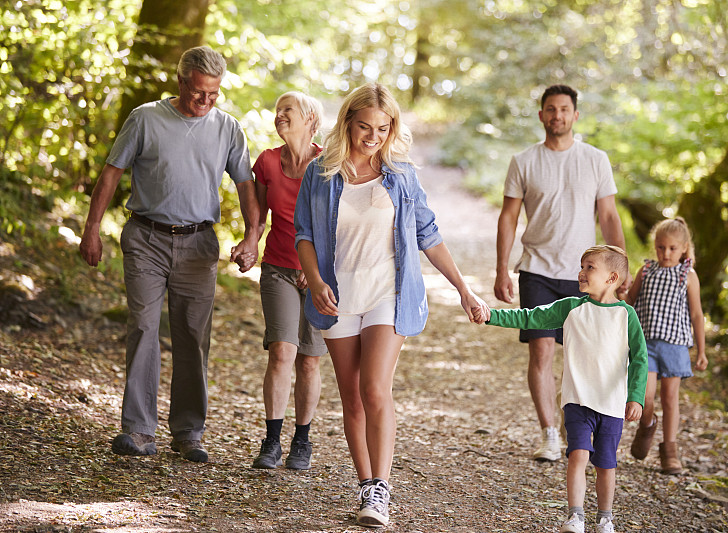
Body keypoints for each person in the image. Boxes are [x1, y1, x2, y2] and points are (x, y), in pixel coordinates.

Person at [294, 83, 489, 528]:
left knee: (374, 389)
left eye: (383, 128)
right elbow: (303, 233)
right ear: (347, 123)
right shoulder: (321, 172)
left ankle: (381, 487)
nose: (373, 137)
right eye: (365, 127)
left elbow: (428, 235)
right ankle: (365, 485)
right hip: (338, 297)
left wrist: (463, 288)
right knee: (352, 397)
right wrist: (318, 281)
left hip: (389, 293)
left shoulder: (400, 174)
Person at [79, 45, 259, 463]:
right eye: (199, 93)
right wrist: (91, 229)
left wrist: (253, 236)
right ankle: (139, 430)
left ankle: (188, 432)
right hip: (146, 238)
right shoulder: (145, 118)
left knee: (194, 337)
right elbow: (111, 172)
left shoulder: (228, 128)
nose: (206, 101)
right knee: (143, 327)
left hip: (199, 244)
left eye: (214, 94)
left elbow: (245, 184)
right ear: (181, 82)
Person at [494, 84, 628, 462]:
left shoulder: (595, 159)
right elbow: (508, 217)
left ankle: (576, 424)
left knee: (584, 357)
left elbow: (608, 216)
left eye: (565, 109)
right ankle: (549, 433)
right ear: (541, 116)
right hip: (536, 268)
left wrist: (621, 270)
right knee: (541, 353)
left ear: (575, 115)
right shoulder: (524, 161)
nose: (558, 115)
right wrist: (502, 268)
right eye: (550, 109)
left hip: (587, 274)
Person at [483, 245, 647, 533]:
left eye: (589, 268)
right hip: (577, 401)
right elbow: (529, 317)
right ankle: (576, 515)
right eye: (582, 266)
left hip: (611, 404)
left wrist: (636, 397)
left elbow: (640, 359)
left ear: (612, 277)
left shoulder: (626, 315)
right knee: (578, 454)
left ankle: (605, 518)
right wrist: (489, 316)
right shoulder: (570, 307)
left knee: (606, 464)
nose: (581, 273)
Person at [234, 92, 328, 470]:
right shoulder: (268, 162)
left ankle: (301, 441)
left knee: (309, 361)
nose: (279, 116)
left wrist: (316, 264)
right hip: (278, 268)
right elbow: (257, 218)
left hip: (321, 275)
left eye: (287, 111)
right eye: (277, 111)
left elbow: (337, 223)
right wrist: (249, 243)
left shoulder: (328, 165)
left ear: (311, 120)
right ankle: (271, 441)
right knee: (282, 352)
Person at [625, 217, 707, 474]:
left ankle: (669, 452)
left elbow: (696, 315)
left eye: (672, 248)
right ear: (655, 246)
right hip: (645, 345)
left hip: (675, 347)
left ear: (684, 247)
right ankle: (647, 425)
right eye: (661, 247)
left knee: (670, 398)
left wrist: (701, 351)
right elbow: (630, 300)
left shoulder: (688, 275)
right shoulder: (646, 270)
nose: (666, 253)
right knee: (645, 397)